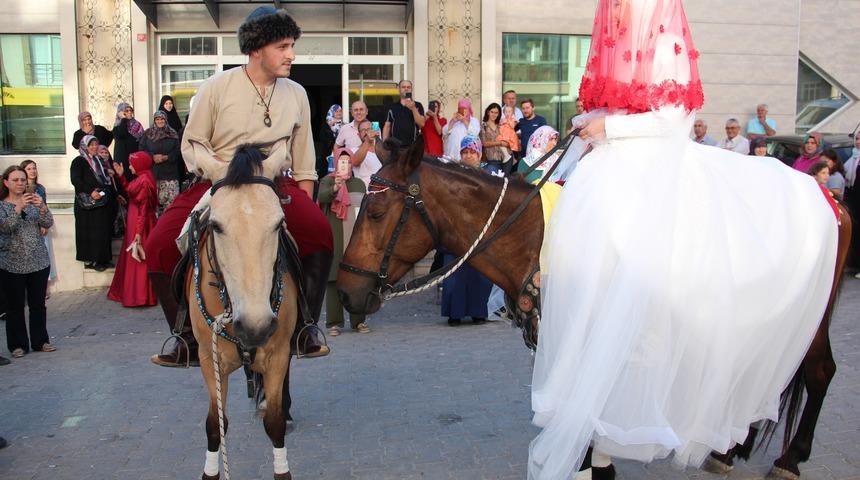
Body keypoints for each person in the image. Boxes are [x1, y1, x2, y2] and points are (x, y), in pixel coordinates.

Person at [531, 0, 838, 478]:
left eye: (616, 8)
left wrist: (608, 125)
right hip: (612, 170)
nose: (609, 16)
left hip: (656, 168)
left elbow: (672, 119)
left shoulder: (662, 36)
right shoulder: (622, 43)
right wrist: (592, 118)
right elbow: (625, 106)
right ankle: (600, 442)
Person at [146, 7, 333, 367]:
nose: (291, 55)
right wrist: (217, 172)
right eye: (283, 46)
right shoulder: (215, 88)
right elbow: (193, 143)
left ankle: (304, 327)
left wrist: (303, 202)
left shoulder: (296, 93)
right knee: (158, 246)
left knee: (321, 234)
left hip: (274, 183)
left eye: (292, 45)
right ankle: (183, 335)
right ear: (256, 48)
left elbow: (304, 157)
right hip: (217, 182)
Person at [0, 165, 55, 359]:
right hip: (12, 263)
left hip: (38, 261)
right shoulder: (2, 206)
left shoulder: (33, 202)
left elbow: (47, 223)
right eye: (15, 180)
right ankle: (18, 344)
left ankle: (41, 341)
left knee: (38, 305)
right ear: (6, 182)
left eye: (23, 180)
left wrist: (42, 207)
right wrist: (18, 207)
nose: (20, 183)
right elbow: (6, 228)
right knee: (15, 307)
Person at [440, 136, 493, 326]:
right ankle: (455, 313)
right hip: (457, 229)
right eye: (465, 152)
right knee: (455, 274)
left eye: (472, 152)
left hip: (480, 230)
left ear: (479, 154)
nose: (469, 156)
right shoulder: (451, 174)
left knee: (480, 274)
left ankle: (479, 311)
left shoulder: (489, 175)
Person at [318, 148, 370, 336]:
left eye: (348, 162)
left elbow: (364, 209)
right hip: (335, 237)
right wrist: (335, 188)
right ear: (337, 162)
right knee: (333, 279)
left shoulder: (358, 184)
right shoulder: (327, 180)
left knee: (357, 279)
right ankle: (334, 322)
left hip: (354, 238)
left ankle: (358, 321)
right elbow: (321, 197)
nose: (345, 165)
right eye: (342, 161)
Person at [107, 152, 158, 307]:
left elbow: (143, 209)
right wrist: (121, 176)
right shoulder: (144, 177)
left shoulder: (144, 181)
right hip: (137, 222)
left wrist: (138, 233)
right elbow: (130, 189)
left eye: (132, 164)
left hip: (139, 223)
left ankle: (139, 296)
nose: (130, 167)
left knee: (139, 259)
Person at [70, 135, 117, 272]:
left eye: (96, 144)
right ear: (85, 146)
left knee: (103, 231)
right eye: (91, 145)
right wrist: (90, 191)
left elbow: (105, 179)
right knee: (90, 232)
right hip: (87, 204)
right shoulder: (79, 161)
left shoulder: (98, 160)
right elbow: (76, 180)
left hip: (101, 202)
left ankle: (103, 259)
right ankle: (92, 260)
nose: (94, 147)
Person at [20, 160, 57, 286]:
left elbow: (44, 206)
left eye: (34, 168)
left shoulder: (40, 188)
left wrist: (43, 223)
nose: (32, 171)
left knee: (43, 256)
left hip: (39, 224)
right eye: (29, 169)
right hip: (25, 226)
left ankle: (44, 286)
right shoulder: (20, 188)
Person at [138, 111, 181, 215]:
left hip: (170, 174)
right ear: (154, 120)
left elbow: (178, 151)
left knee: (171, 206)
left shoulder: (172, 134)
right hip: (153, 174)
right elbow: (142, 150)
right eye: (157, 119)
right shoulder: (148, 134)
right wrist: (152, 157)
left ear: (165, 120)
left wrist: (166, 157)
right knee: (154, 206)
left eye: (162, 119)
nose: (160, 121)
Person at [382, 79, 425, 148]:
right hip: (395, 146)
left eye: (408, 87)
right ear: (399, 89)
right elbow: (387, 126)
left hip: (413, 146)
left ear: (411, 89)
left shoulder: (418, 105)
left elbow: (421, 124)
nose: (406, 89)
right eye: (403, 87)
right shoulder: (392, 107)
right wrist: (384, 144)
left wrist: (413, 108)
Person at [111, 103, 143, 180]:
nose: (129, 112)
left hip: (134, 159)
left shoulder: (137, 125)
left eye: (130, 110)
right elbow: (123, 133)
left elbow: (142, 140)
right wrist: (123, 119)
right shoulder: (117, 127)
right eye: (126, 111)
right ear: (121, 113)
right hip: (122, 159)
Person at [352, 119, 384, 190]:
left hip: (384, 192)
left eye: (369, 129)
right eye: (363, 130)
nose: (367, 132)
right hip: (365, 192)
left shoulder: (384, 150)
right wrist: (367, 141)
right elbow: (355, 162)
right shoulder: (353, 150)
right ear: (358, 134)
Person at [480, 103, 508, 175]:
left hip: (505, 159)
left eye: (496, 113)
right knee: (494, 181)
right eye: (492, 112)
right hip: (492, 159)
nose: (494, 114)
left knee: (505, 181)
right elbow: (484, 143)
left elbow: (507, 139)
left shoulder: (501, 125)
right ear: (488, 112)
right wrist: (500, 143)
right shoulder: (483, 126)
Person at [499, 105, 521, 174]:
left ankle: (510, 157)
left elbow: (512, 126)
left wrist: (508, 121)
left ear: (512, 113)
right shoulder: (503, 119)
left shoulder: (513, 119)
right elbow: (500, 125)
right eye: (506, 112)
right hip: (504, 134)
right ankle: (507, 155)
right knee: (500, 142)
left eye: (509, 112)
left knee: (511, 147)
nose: (507, 113)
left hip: (510, 135)